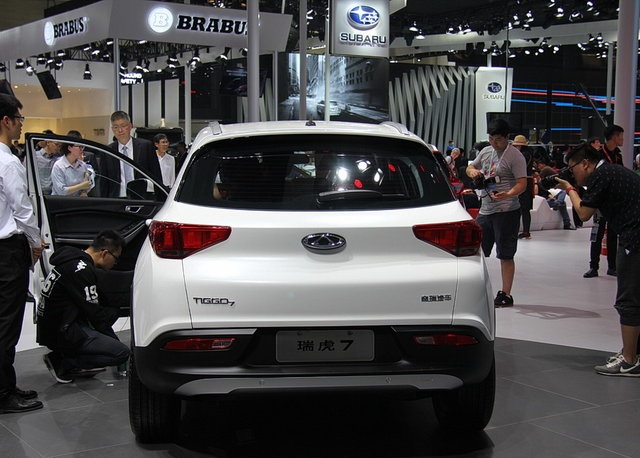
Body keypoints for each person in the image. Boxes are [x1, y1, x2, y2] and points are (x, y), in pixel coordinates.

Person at [556, 142, 640, 376]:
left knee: (628, 300)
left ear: (585, 163)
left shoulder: (601, 175)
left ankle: (629, 361)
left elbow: (583, 213)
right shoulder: (612, 171)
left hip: (634, 239)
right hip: (634, 235)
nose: (572, 173)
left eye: (572, 168)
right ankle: (632, 352)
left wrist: (569, 189)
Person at [37, 230, 130, 384]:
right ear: (105, 253)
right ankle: (64, 363)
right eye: (116, 258)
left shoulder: (71, 261)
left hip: (52, 326)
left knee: (111, 314)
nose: (115, 264)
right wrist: (115, 341)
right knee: (121, 353)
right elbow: (96, 315)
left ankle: (69, 355)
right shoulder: (82, 270)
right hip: (62, 331)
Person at [0, 94, 45, 413]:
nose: (20, 125)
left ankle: (6, 383)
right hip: (7, 251)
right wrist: (36, 242)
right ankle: (3, 393)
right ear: (6, 121)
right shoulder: (8, 162)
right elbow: (23, 209)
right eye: (19, 119)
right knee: (7, 323)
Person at [466, 119, 527, 307]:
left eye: (498, 139)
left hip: (507, 210)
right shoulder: (486, 151)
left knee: (506, 254)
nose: (494, 143)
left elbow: (522, 183)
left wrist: (508, 193)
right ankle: (475, 289)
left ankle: (506, 294)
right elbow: (470, 167)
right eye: (491, 139)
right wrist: (473, 172)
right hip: (485, 209)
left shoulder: (515, 156)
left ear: (507, 137)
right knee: (475, 250)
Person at [583, 124, 623, 278]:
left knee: (613, 234)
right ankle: (593, 266)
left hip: (613, 201)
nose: (623, 139)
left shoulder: (618, 155)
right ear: (615, 136)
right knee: (597, 235)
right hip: (599, 200)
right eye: (621, 136)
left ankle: (612, 266)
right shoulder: (598, 155)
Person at [102, 111, 161, 198]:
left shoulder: (145, 146)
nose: (120, 130)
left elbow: (156, 174)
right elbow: (104, 181)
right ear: (112, 129)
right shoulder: (107, 151)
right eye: (116, 127)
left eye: (123, 126)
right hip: (117, 199)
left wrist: (159, 198)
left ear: (130, 126)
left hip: (143, 197)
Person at [512, 135, 535, 239]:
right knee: (525, 209)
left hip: (523, 181)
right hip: (527, 181)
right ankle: (526, 231)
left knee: (522, 208)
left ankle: (524, 231)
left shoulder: (523, 156)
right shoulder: (528, 154)